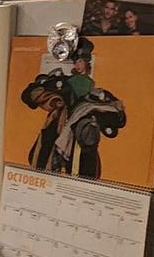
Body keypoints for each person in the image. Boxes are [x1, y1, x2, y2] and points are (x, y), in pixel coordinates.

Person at [20, 37, 128, 178]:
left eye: (80, 61)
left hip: (80, 120)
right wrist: (56, 101)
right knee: (48, 142)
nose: (78, 65)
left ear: (87, 63)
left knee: (85, 143)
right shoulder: (66, 81)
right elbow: (37, 93)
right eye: (76, 62)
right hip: (63, 117)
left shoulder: (91, 86)